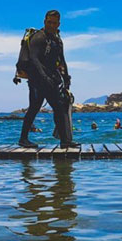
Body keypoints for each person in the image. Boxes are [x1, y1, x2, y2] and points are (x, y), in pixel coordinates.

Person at [18, 10, 79, 149]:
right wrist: (43, 77)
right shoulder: (38, 37)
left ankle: (64, 140)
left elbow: (62, 60)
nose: (51, 25)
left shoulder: (57, 40)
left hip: (51, 79)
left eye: (54, 23)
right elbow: (34, 58)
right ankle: (24, 139)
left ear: (59, 24)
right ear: (44, 21)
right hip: (37, 80)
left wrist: (66, 77)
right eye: (49, 22)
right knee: (38, 108)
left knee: (57, 107)